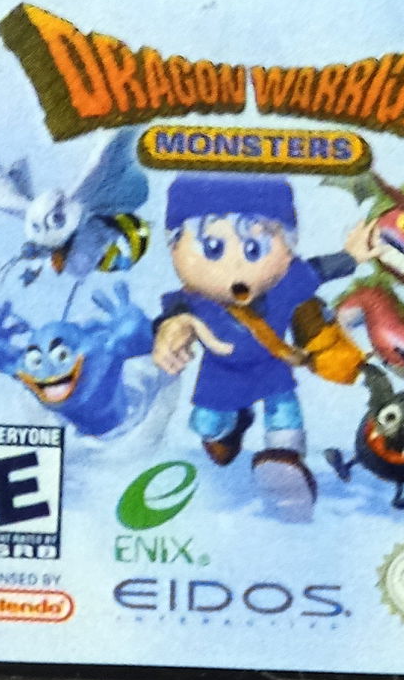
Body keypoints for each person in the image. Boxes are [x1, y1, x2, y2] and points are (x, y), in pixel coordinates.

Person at [152, 174, 377, 521]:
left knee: (284, 416)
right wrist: (171, 328)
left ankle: (285, 462)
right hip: (220, 374)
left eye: (253, 249)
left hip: (271, 368)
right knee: (207, 425)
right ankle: (233, 426)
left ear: (287, 249)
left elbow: (319, 270)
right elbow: (173, 316)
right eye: (212, 248)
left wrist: (352, 255)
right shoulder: (193, 300)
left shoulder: (286, 283)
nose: (235, 268)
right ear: (174, 249)